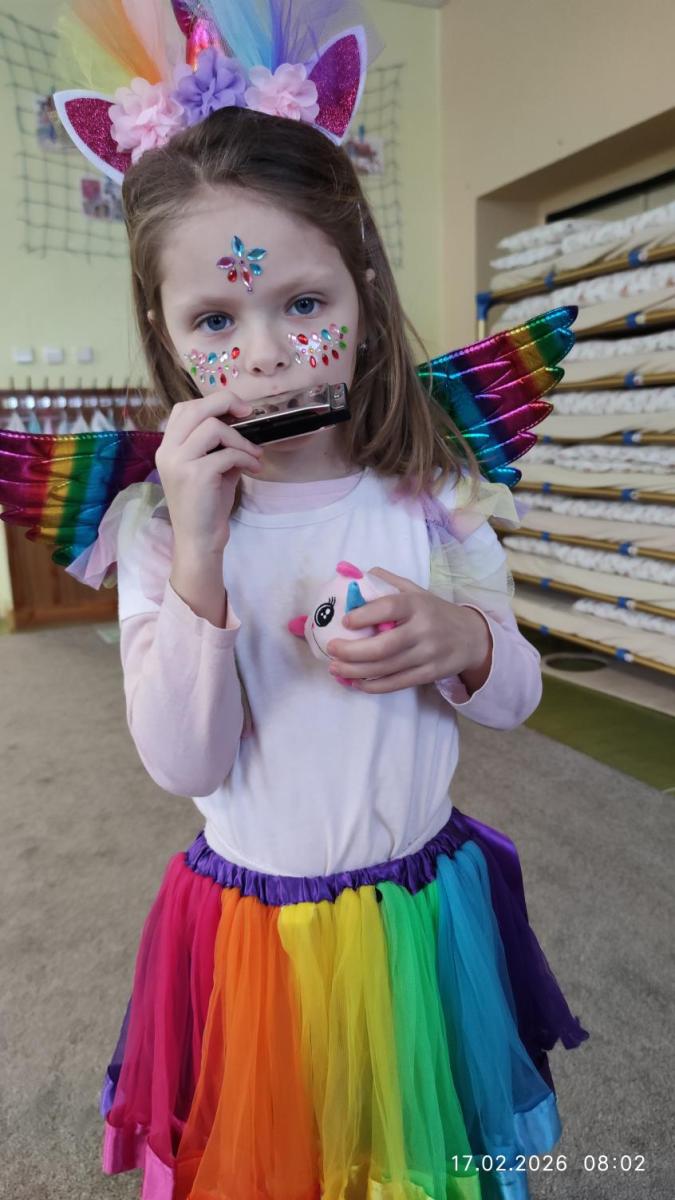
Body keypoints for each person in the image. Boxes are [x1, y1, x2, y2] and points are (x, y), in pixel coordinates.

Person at [40, 3, 589, 1197]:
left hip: (421, 914)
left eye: (303, 303)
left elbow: (516, 699)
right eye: (216, 319)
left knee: (420, 1158)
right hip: (256, 933)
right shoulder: (157, 531)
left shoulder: (432, 490)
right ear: (166, 335)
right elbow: (185, 763)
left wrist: (464, 638)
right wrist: (200, 555)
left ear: (364, 293)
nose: (269, 352)